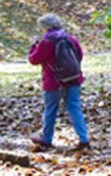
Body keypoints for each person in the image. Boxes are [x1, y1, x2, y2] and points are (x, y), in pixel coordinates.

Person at [28, 13, 89, 152]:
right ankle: (84, 139)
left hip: (53, 81)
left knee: (51, 109)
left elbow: (34, 59)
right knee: (75, 108)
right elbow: (79, 55)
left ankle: (46, 139)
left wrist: (33, 46)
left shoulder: (46, 41)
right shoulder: (70, 38)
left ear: (45, 27)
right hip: (73, 78)